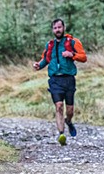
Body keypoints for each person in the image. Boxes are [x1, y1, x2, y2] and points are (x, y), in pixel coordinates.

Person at [33, 18, 87, 146]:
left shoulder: (72, 42)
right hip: (55, 80)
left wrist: (72, 54)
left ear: (64, 28)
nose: (57, 30)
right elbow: (45, 59)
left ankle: (69, 121)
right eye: (55, 28)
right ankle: (61, 134)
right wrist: (38, 65)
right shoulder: (49, 45)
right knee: (58, 106)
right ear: (53, 30)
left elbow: (83, 57)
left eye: (59, 27)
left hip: (69, 79)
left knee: (70, 110)